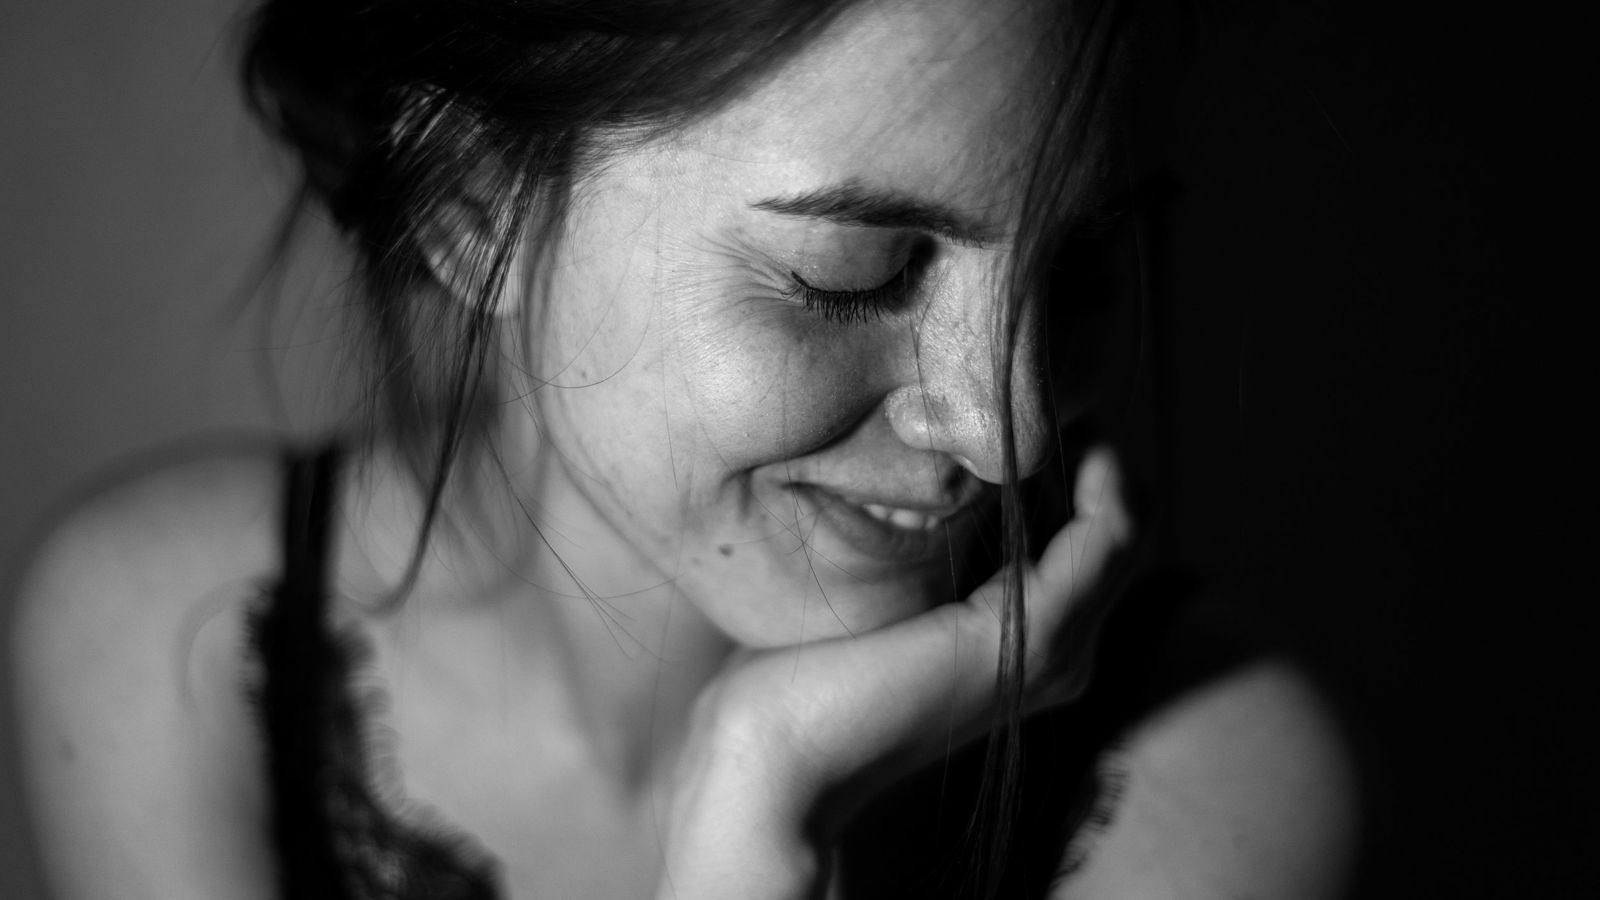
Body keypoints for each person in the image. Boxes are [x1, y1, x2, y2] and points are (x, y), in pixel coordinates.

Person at [7, 0, 1358, 896]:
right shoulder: (169, 646)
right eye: (854, 274)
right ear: (475, 213)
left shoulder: (1222, 768)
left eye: (1083, 272)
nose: (1009, 431)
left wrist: (767, 790)